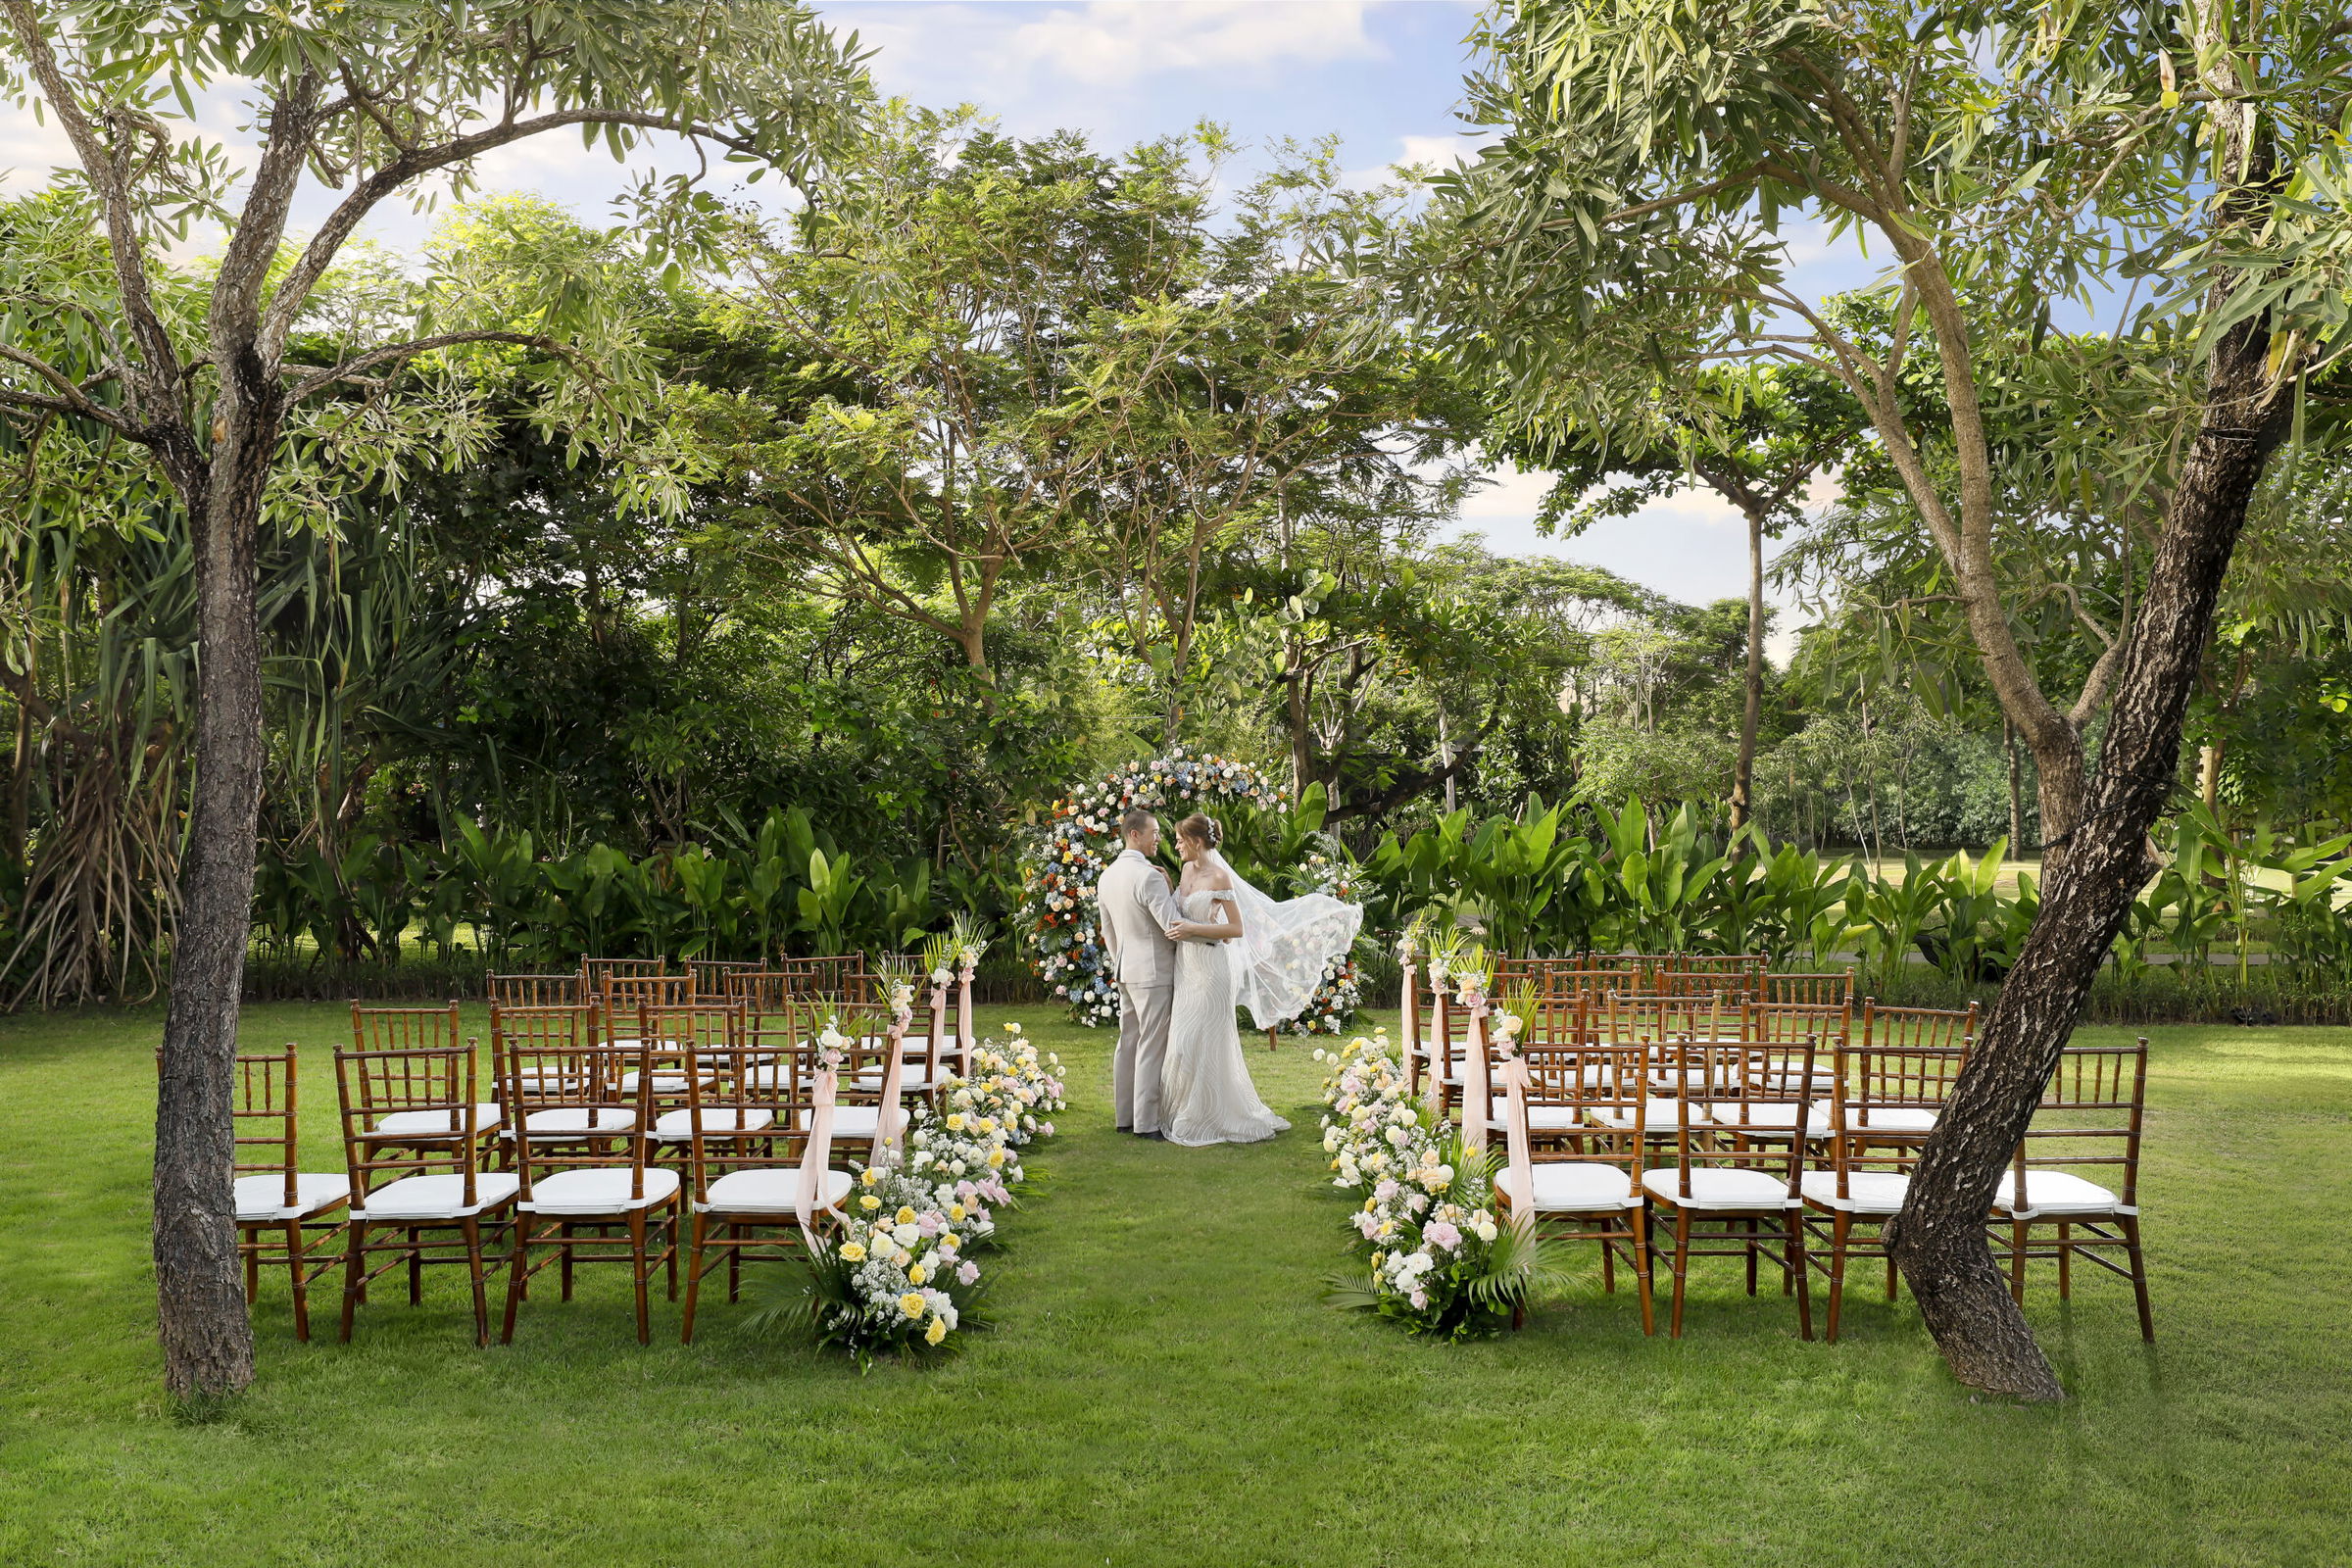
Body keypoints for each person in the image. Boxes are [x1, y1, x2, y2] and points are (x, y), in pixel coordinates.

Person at [1158, 811, 1359, 1148]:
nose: (1176, 846)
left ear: (1195, 841)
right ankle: (1182, 1108)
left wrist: (1194, 929)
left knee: (1208, 1037)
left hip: (1212, 968)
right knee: (1182, 1036)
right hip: (1187, 966)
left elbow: (1235, 929)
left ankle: (1210, 1113)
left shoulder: (1219, 877)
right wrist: (1168, 886)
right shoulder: (1186, 871)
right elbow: (1181, 910)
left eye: (1180, 841)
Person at [1096, 806, 1181, 1140]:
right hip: (1154, 971)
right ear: (1135, 834)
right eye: (1154, 833)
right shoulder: (1149, 876)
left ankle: (1124, 1117)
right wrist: (1171, 889)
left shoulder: (1107, 876)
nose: (1158, 838)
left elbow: (1107, 931)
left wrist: (1122, 960)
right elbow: (1172, 925)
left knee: (1128, 1042)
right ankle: (1146, 1123)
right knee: (1151, 1045)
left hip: (1125, 969)